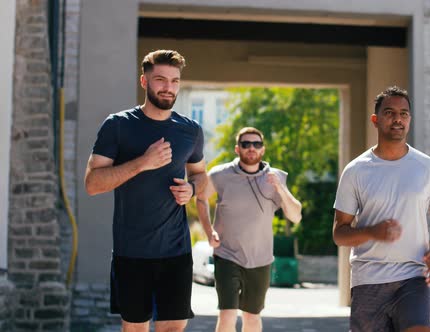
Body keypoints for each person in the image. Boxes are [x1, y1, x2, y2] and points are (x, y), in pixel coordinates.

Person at [85, 50, 207, 332]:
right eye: (160, 79)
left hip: (176, 250)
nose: (168, 87)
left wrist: (191, 189)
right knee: (135, 328)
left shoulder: (190, 130)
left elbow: (202, 178)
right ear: (144, 81)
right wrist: (142, 163)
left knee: (174, 327)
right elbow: (92, 184)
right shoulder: (118, 125)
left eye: (175, 81)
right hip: (132, 251)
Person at [332, 86, 430, 332]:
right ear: (375, 120)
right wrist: (372, 232)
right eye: (389, 112)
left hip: (413, 276)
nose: (398, 119)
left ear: (410, 119)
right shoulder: (356, 171)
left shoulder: (427, 168)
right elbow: (339, 233)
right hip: (368, 280)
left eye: (404, 113)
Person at [196, 127, 302, 332]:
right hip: (226, 255)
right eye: (246, 144)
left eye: (256, 144)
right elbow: (200, 199)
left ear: (263, 150)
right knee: (227, 314)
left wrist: (280, 187)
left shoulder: (276, 177)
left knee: (252, 317)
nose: (251, 148)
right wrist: (209, 232)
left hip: (260, 259)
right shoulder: (220, 174)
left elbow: (295, 216)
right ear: (237, 149)